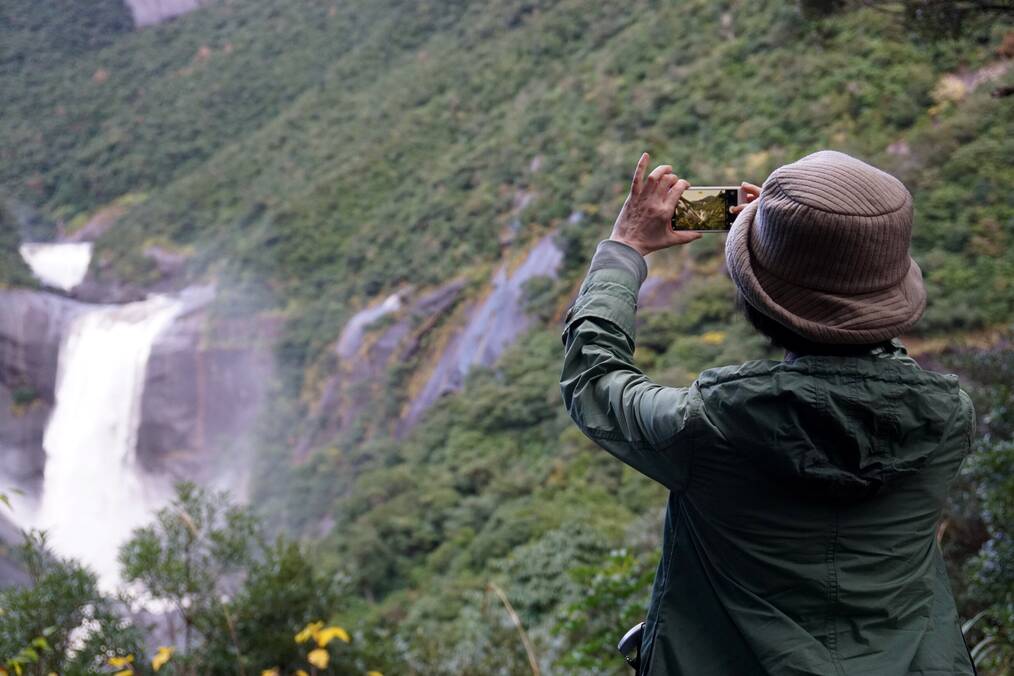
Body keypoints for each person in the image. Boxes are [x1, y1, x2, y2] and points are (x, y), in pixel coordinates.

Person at [560, 150, 976, 675]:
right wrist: (831, 257)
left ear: (757, 302)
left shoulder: (707, 425)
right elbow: (876, 362)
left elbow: (594, 382)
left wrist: (625, 248)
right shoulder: (949, 421)